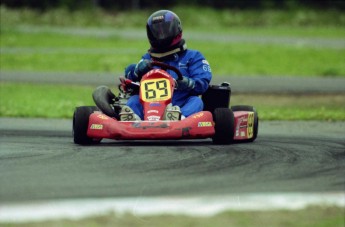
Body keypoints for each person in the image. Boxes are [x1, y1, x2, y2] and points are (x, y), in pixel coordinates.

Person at [120, 10, 212, 121]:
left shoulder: (193, 56)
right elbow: (129, 77)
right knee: (134, 100)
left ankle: (178, 118)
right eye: (157, 32)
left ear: (176, 29)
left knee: (196, 101)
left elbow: (203, 82)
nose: (161, 35)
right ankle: (133, 118)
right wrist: (136, 71)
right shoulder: (147, 59)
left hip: (180, 103)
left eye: (164, 30)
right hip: (149, 106)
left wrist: (189, 83)